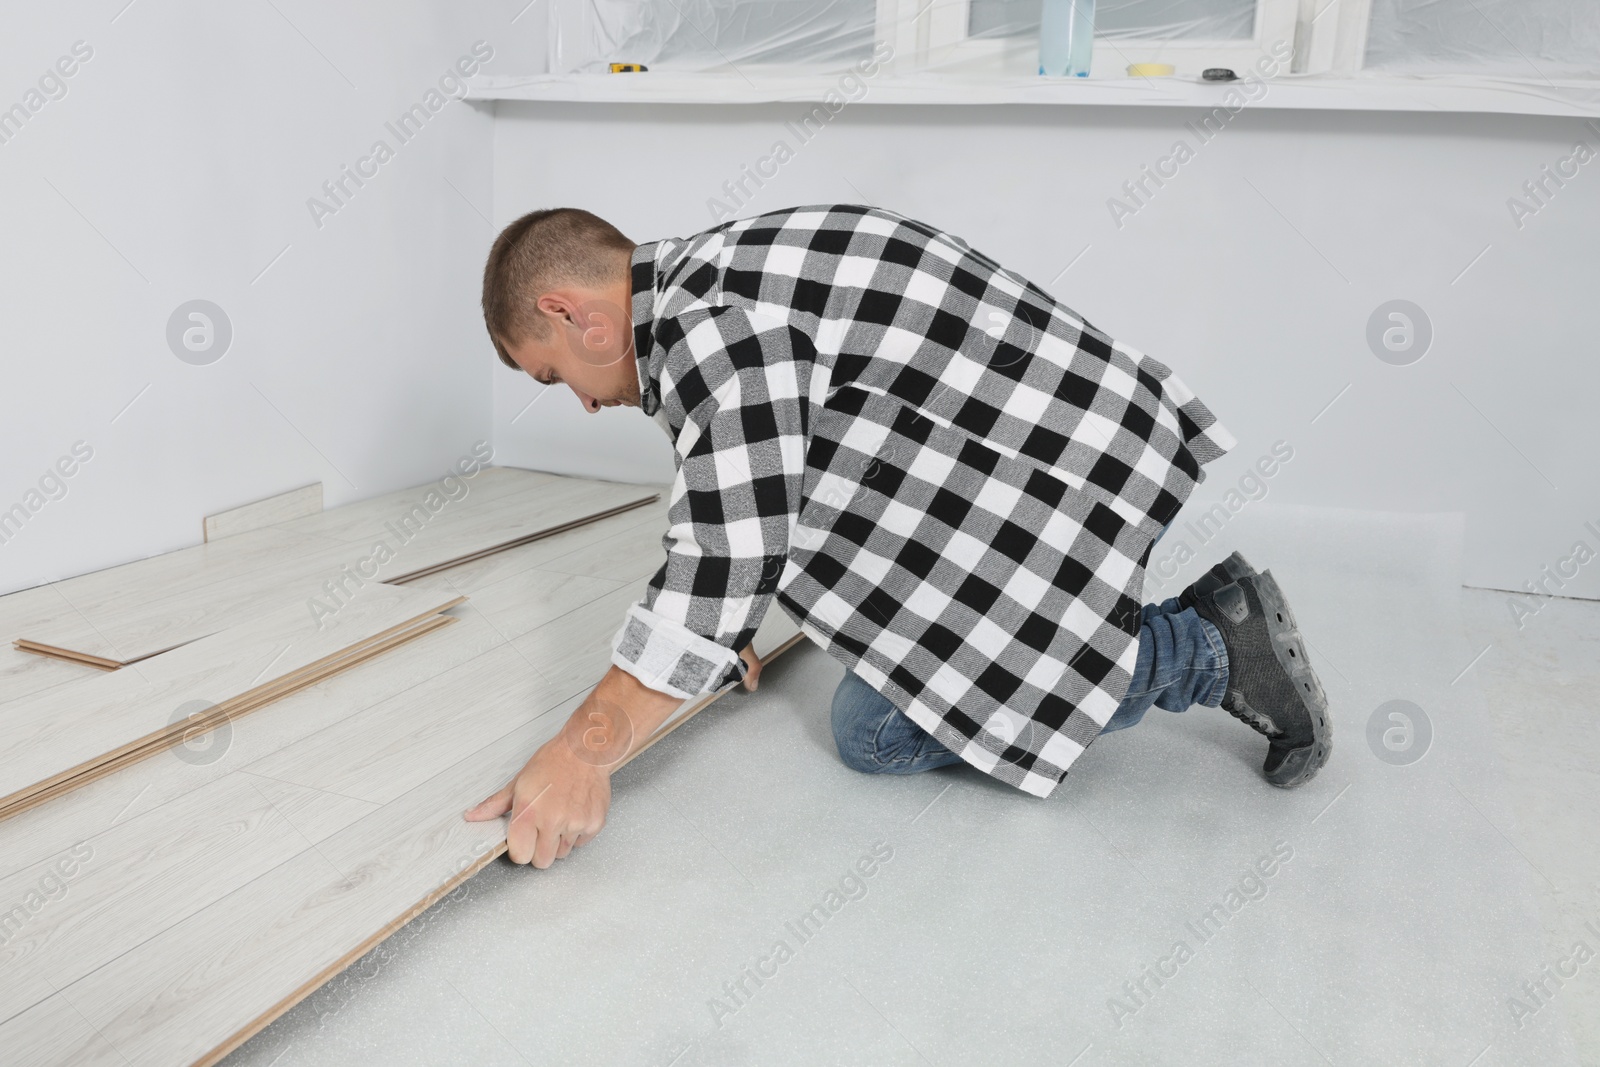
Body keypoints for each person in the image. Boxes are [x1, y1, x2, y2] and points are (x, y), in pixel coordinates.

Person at [465, 204, 1332, 869]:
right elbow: (763, 484)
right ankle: (1187, 627)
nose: (580, 402)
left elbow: (728, 541)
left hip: (1042, 474)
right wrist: (730, 625)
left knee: (871, 730)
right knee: (880, 694)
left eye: (555, 373)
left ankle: (1209, 645)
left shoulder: (712, 329)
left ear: (571, 310)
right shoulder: (719, 273)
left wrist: (585, 746)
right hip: (1042, 455)